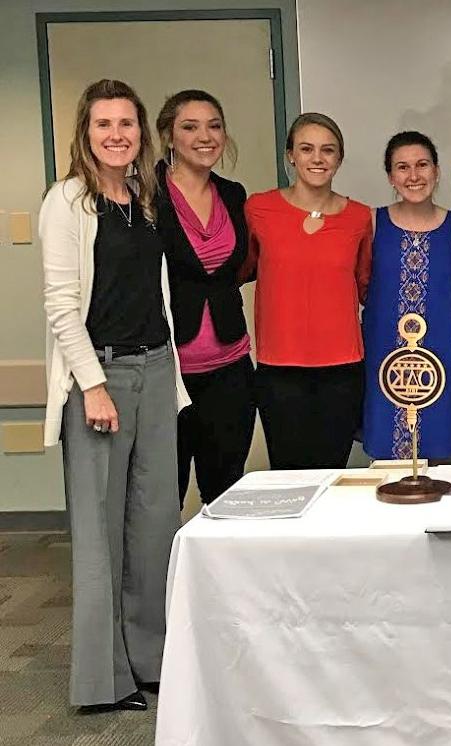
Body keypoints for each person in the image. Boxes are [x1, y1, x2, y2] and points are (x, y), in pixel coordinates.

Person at [39, 79, 188, 712]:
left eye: (127, 124)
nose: (117, 135)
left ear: (140, 134)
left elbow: (156, 299)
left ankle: (150, 661)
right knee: (101, 536)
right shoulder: (68, 200)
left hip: (155, 372)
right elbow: (61, 306)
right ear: (86, 132)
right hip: (99, 379)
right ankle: (102, 682)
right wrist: (92, 386)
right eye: (104, 124)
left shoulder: (142, 199)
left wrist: (171, 376)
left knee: (154, 524)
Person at [244, 113, 372, 469]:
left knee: (332, 477)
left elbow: (366, 286)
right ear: (291, 156)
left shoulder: (360, 217)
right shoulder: (259, 208)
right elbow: (243, 268)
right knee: (288, 476)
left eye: (328, 150)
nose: (317, 158)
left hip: (342, 370)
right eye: (306, 149)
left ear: (339, 159)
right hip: (279, 368)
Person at [154, 89, 254, 505]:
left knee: (226, 488)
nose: (205, 136)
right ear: (168, 136)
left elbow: (244, 266)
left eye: (214, 126)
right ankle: (160, 573)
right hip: (167, 371)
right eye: (190, 127)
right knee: (163, 494)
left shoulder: (233, 194)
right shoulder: (144, 195)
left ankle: (219, 573)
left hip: (231, 367)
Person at [363, 131, 451, 460]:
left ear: (437, 171)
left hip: (441, 360)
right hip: (383, 357)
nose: (414, 176)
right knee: (386, 459)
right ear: (390, 176)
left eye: (422, 165)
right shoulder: (371, 222)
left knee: (436, 458)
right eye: (403, 167)